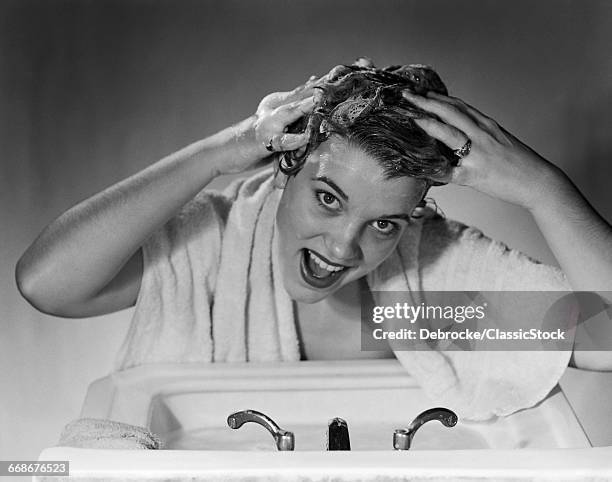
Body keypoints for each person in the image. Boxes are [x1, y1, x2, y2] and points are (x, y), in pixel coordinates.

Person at [15, 59, 612, 418]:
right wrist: (219, 153)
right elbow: (48, 284)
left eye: (384, 224)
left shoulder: (422, 300)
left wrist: (544, 189)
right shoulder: (213, 244)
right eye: (328, 198)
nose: (343, 249)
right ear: (285, 168)